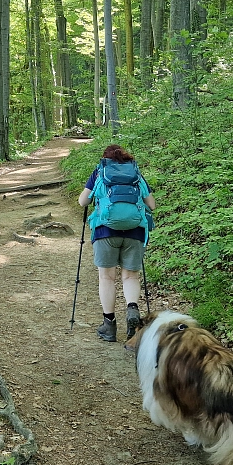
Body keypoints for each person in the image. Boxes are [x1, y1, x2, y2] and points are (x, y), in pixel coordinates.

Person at [78, 144, 156, 342]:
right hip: (135, 231)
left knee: (107, 277)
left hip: (105, 231)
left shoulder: (100, 172)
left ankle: (109, 325)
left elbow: (83, 201)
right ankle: (132, 310)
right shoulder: (135, 174)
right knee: (130, 276)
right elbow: (152, 204)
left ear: (106, 158)